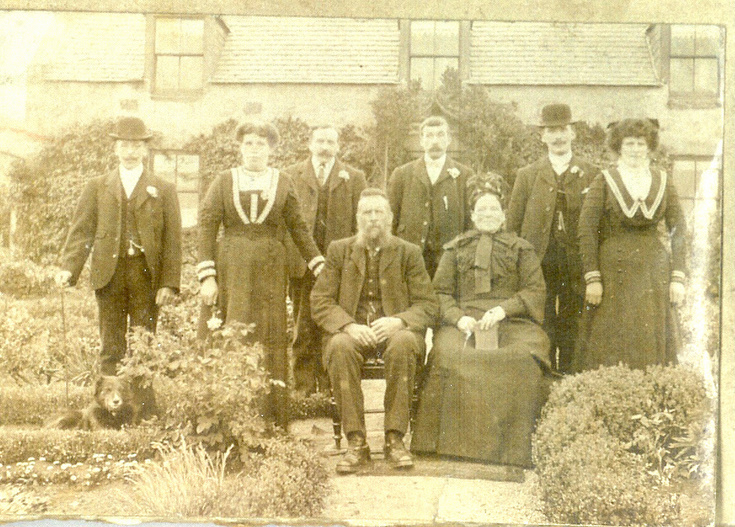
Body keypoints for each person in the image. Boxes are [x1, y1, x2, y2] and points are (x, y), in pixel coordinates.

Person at [411, 173, 551, 467]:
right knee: (447, 353)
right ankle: (448, 443)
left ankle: (515, 448)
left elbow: (534, 290)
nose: (488, 214)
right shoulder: (455, 248)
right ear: (473, 215)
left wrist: (503, 310)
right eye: (482, 210)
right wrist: (458, 318)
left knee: (524, 356)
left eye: (494, 209)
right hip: (465, 321)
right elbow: (440, 292)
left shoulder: (522, 248)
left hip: (513, 322)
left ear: (503, 215)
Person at [196, 122, 325, 429]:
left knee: (268, 331)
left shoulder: (282, 182)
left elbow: (298, 227)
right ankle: (231, 413)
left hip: (270, 267)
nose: (254, 149)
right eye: (249, 143)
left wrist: (319, 265)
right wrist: (207, 276)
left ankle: (270, 415)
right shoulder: (224, 181)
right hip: (232, 266)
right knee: (234, 327)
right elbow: (207, 226)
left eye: (261, 144)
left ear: (271, 149)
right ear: (240, 148)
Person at [310, 188, 439, 474]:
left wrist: (400, 321)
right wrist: (348, 325)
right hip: (352, 333)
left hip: (395, 335)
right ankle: (356, 442)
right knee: (340, 346)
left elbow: (429, 304)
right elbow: (320, 301)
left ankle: (394, 439)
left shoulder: (409, 252)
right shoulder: (339, 250)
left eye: (378, 212)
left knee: (405, 342)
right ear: (357, 218)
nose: (373, 219)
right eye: (366, 212)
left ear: (390, 217)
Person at [56, 116, 182, 382]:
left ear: (145, 149)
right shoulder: (97, 186)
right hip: (109, 275)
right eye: (124, 145)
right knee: (111, 345)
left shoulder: (164, 189)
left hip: (146, 276)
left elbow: (172, 240)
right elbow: (82, 231)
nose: (130, 151)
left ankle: (142, 409)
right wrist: (69, 269)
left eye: (136, 145)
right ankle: (107, 410)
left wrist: (168, 283)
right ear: (116, 149)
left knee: (143, 343)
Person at [574, 118, 686, 372]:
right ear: (619, 147)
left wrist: (678, 277)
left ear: (649, 147)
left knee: (651, 337)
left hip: (653, 273)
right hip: (614, 272)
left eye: (640, 143)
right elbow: (586, 230)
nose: (635, 149)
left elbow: (679, 229)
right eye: (629, 143)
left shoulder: (663, 181)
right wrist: (593, 278)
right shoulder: (604, 180)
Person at [506, 103, 599, 374]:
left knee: (573, 323)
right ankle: (543, 380)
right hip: (539, 264)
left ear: (573, 134)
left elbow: (598, 225)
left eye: (563, 130)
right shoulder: (527, 175)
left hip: (575, 265)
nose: (558, 136)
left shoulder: (591, 173)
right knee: (540, 321)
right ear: (542, 136)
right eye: (551, 131)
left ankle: (569, 380)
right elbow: (512, 226)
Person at [283, 125, 367, 396]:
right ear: (309, 144)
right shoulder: (290, 175)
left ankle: (330, 387)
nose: (324, 146)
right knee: (302, 323)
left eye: (330, 142)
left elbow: (361, 223)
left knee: (333, 321)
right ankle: (304, 389)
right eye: (319, 141)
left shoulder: (354, 178)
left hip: (337, 266)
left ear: (338, 146)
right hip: (301, 264)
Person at [387, 115, 475, 278]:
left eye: (440, 135)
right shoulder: (402, 174)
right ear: (421, 140)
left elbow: (470, 221)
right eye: (429, 135)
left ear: (449, 139)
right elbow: (390, 217)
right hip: (411, 254)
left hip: (449, 256)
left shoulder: (464, 174)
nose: (435, 140)